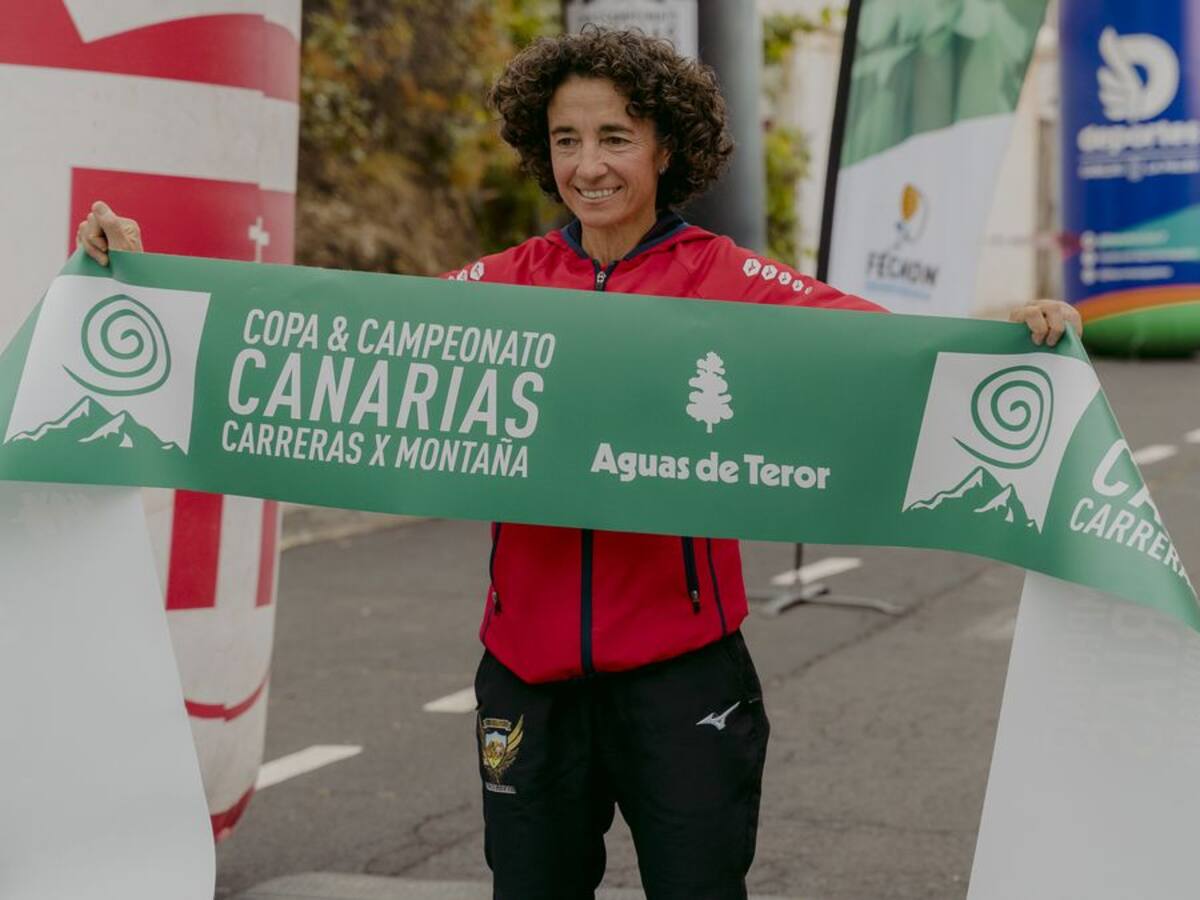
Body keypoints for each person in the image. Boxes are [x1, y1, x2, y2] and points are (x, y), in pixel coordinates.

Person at [78, 27, 1081, 900]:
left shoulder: (726, 280)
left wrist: (1009, 330)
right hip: (528, 677)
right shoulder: (506, 284)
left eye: (614, 137)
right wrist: (139, 276)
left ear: (665, 147)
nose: (588, 165)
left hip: (683, 674)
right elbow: (331, 341)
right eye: (566, 139)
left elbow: (882, 349)